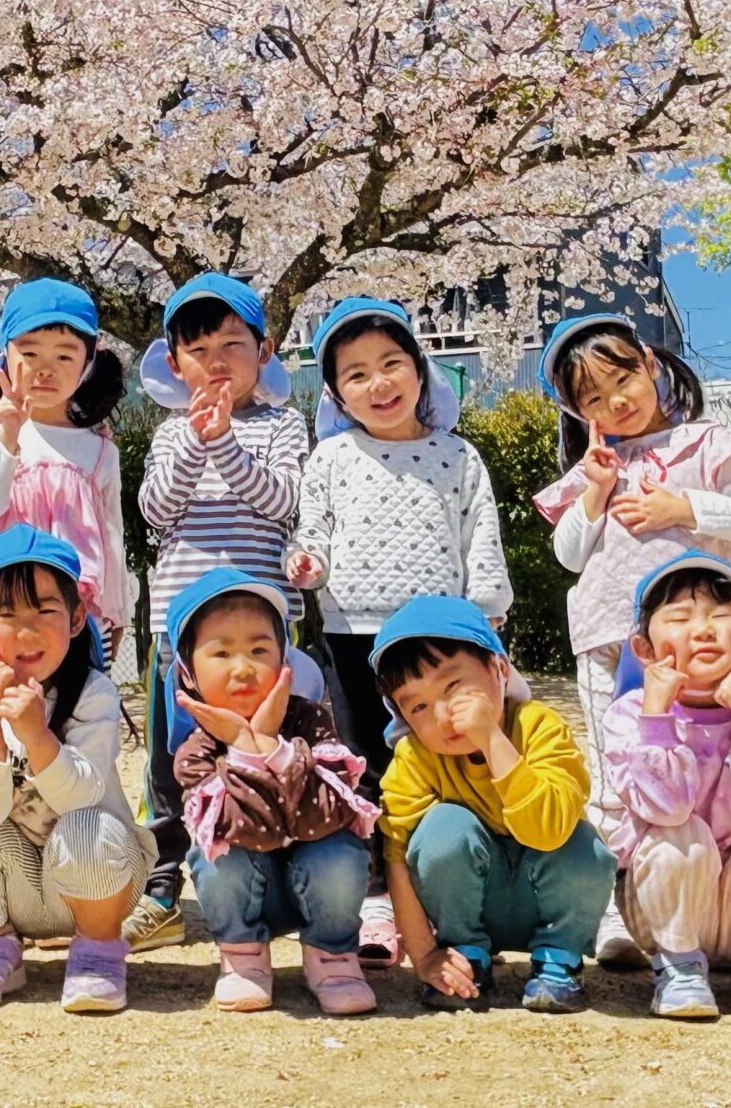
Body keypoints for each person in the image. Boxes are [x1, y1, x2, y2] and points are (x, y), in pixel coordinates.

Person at [529, 311, 731, 965]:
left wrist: (682, 508)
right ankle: (615, 910)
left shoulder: (706, 442)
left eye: (622, 380)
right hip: (608, 637)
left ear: (651, 365)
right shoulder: (596, 468)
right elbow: (568, 555)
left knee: (709, 766)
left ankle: (720, 903)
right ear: (579, 414)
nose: (616, 403)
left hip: (698, 643)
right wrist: (595, 491)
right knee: (616, 776)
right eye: (594, 399)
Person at [288, 296, 511, 964]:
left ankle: (454, 895)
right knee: (363, 771)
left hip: (438, 642)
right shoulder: (330, 457)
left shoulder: (459, 456)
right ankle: (381, 906)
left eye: (391, 364)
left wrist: (487, 611)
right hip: (352, 633)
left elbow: (483, 537)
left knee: (448, 760)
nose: (378, 383)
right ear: (334, 392)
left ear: (420, 369)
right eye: (356, 374)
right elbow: (313, 531)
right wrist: (304, 563)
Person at [128, 273, 312, 951]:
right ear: (174, 363)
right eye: (199, 348)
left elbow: (286, 505)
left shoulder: (283, 425)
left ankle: (270, 876)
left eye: (233, 344)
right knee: (171, 760)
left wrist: (228, 444)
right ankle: (163, 885)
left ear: (263, 352)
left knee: (262, 749)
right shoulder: (172, 433)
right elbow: (154, 512)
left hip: (260, 630)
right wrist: (202, 441)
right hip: (178, 629)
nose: (216, 360)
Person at [0, 527, 155, 1014]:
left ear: (75, 619)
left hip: (98, 881)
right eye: (6, 614)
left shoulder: (93, 694)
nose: (25, 632)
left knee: (88, 823)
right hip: (20, 890)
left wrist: (36, 734)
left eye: (44, 611)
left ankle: (98, 952)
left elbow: (79, 797)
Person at [601, 552, 731, 1021]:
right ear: (644, 649)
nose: (702, 630)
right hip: (662, 912)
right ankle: (678, 971)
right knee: (680, 835)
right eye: (679, 618)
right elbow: (666, 809)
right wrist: (657, 718)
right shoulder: (628, 715)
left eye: (721, 617)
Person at [373, 597, 614, 1014]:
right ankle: (468, 955)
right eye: (418, 707)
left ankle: (558, 960)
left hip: (544, 899)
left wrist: (493, 741)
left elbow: (549, 830)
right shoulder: (415, 757)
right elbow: (396, 857)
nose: (444, 714)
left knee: (584, 845)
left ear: (500, 670)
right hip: (471, 907)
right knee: (442, 827)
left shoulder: (539, 728)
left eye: (453, 687)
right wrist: (426, 954)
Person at [166, 568, 379, 1014]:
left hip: (317, 888)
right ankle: (243, 958)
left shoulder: (313, 723)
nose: (243, 668)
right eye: (221, 652)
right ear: (188, 675)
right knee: (213, 853)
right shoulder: (195, 752)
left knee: (340, 850)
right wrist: (245, 748)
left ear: (284, 661)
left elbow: (328, 813)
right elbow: (235, 828)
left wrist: (272, 748)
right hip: (251, 895)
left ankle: (333, 955)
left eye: (259, 649)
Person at [0, 279, 136, 642]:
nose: (45, 369)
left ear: (87, 364)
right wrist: (8, 436)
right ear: (5, 357)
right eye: (30, 353)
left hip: (82, 612)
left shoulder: (99, 450)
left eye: (64, 356)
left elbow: (112, 533)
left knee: (87, 696)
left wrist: (119, 613)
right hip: (4, 610)